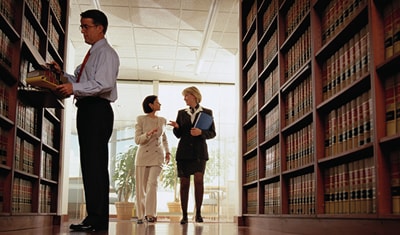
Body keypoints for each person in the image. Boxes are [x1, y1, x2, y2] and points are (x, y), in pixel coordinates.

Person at [53, 9, 119, 232]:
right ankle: (94, 217)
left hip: (97, 110)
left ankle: (97, 219)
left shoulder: (106, 53)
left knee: (96, 164)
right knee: (90, 164)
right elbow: (81, 80)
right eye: (81, 26)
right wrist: (62, 75)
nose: (82, 31)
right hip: (88, 109)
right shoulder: (91, 55)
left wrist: (74, 87)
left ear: (100, 28)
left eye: (86, 26)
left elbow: (104, 83)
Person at [168, 86, 216, 224]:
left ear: (194, 96)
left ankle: (198, 214)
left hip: (199, 152)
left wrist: (201, 133)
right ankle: (184, 215)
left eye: (186, 96)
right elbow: (179, 135)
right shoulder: (181, 113)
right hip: (184, 153)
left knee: (199, 180)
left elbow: (212, 133)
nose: (184, 99)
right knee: (184, 183)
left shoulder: (207, 112)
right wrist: (177, 128)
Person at [134, 95, 171, 224]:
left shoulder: (162, 120)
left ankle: (150, 214)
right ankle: (140, 215)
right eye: (157, 102)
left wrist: (168, 152)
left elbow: (164, 138)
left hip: (157, 156)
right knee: (141, 188)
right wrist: (148, 134)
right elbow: (138, 140)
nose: (160, 104)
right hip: (143, 156)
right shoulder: (141, 119)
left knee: (152, 184)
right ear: (150, 105)